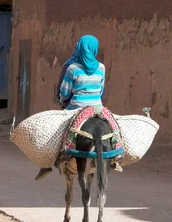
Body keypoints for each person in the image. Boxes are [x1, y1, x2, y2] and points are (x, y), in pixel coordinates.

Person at [35, 35, 119, 180]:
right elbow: (101, 91)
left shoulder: (72, 68)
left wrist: (63, 102)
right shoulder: (102, 68)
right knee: (115, 126)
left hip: (76, 107)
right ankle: (116, 155)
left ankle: (50, 162)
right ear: (94, 49)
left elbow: (64, 92)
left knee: (56, 131)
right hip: (97, 108)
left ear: (79, 48)